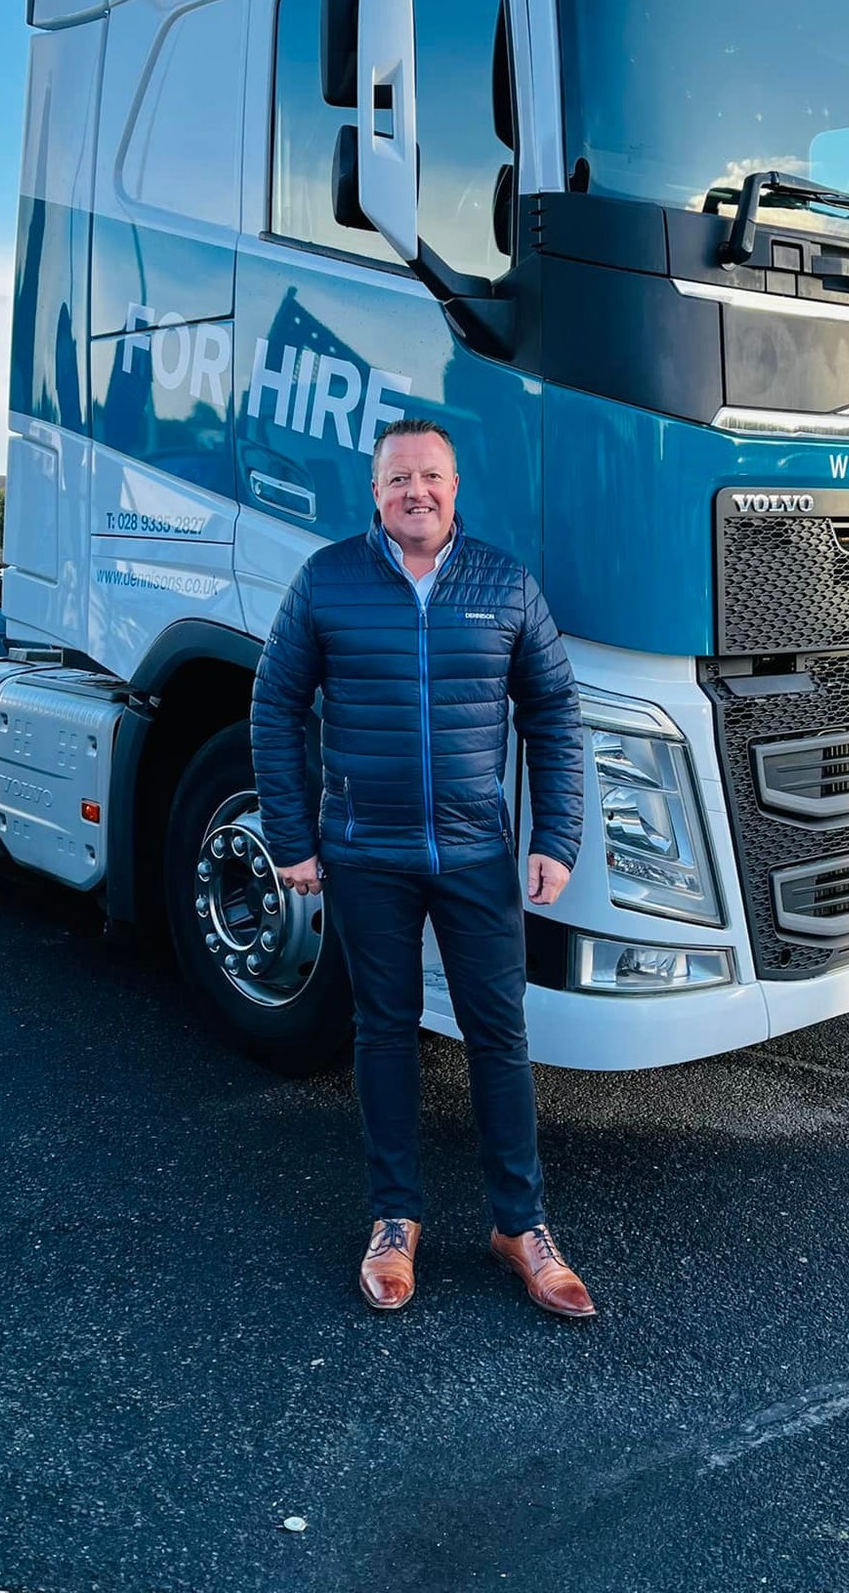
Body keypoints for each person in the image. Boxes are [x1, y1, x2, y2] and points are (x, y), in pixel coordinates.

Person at [250, 419, 594, 1319]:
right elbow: (275, 703)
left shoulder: (504, 584)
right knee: (385, 1032)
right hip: (367, 852)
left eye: (431, 476)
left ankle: (521, 1227)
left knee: (499, 1037)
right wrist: (291, 836)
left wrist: (555, 837)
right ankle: (394, 1221)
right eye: (399, 478)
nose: (417, 492)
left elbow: (553, 712)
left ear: (455, 487)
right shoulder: (327, 580)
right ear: (374, 492)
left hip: (476, 855)